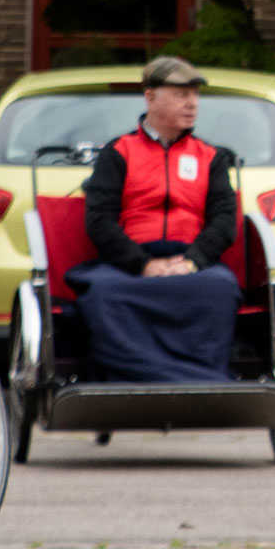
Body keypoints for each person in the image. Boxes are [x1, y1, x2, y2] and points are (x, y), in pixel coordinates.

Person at [71, 56, 241, 385]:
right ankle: (135, 380)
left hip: (189, 260)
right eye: (181, 94)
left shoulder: (210, 156)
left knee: (221, 288)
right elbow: (99, 220)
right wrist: (143, 265)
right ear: (150, 97)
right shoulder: (118, 152)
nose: (192, 103)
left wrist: (193, 261)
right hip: (130, 262)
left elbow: (224, 220)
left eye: (195, 95)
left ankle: (203, 379)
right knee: (104, 293)